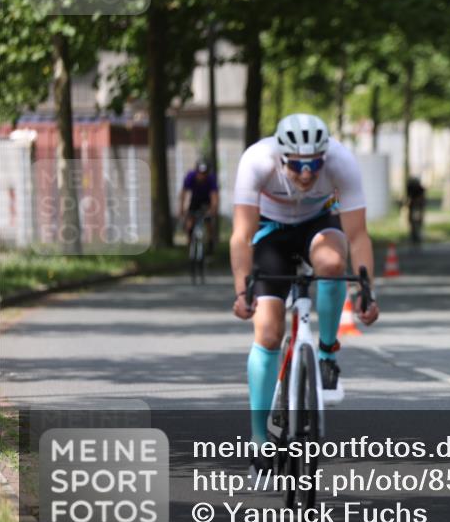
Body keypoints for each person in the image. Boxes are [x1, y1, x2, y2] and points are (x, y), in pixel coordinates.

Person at [229, 113, 379, 448]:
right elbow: (241, 235)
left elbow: (358, 236)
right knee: (267, 332)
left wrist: (366, 293)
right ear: (281, 157)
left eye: (314, 163)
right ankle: (258, 437)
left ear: (325, 156)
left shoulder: (341, 161)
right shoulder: (256, 160)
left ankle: (326, 355)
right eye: (297, 165)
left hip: (319, 225)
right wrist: (242, 290)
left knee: (332, 261)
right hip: (270, 232)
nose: (308, 173)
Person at [178, 158, 219, 253]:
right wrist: (181, 208)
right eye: (200, 173)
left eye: (204, 173)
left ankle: (210, 243)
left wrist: (213, 209)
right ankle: (189, 243)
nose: (202, 176)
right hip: (195, 199)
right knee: (190, 221)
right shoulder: (190, 176)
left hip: (206, 200)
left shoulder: (211, 179)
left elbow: (214, 196)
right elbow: (184, 193)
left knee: (208, 221)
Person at [405, 176, 426, 245]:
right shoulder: (412, 188)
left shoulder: (419, 189)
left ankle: (416, 235)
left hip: (417, 207)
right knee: (413, 222)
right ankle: (414, 235)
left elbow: (421, 199)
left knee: (417, 222)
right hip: (414, 207)